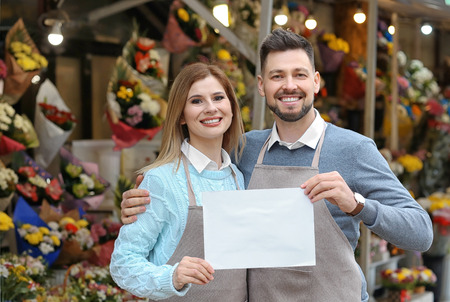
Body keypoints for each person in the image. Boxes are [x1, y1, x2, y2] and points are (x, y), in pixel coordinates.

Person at [119, 28, 434, 302]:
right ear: (260, 85)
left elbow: (421, 233)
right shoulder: (243, 150)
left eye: (299, 74)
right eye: (277, 76)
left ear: (316, 81)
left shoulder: (354, 149)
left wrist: (357, 205)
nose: (289, 85)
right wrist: (143, 200)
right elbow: (194, 182)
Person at [110, 62, 247, 301]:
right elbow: (123, 264)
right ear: (181, 116)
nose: (210, 108)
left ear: (232, 108)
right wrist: (172, 277)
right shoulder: (161, 180)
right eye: (196, 101)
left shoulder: (238, 176)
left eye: (218, 98)